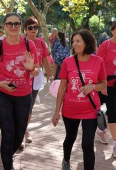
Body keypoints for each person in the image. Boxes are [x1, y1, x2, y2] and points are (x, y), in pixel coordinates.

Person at [0, 12, 39, 170]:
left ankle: (7, 156)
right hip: (2, 95)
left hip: (24, 95)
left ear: (21, 26)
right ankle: (8, 166)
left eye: (16, 24)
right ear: (4, 26)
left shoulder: (30, 45)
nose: (13, 27)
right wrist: (0, 84)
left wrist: (31, 69)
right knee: (8, 134)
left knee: (19, 134)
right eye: (10, 24)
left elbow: (36, 70)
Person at [52, 29, 107, 170]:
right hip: (70, 109)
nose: (74, 44)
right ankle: (66, 159)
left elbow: (104, 84)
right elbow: (62, 88)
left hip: (91, 109)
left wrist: (93, 86)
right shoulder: (68, 62)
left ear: (87, 42)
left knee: (87, 144)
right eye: (73, 41)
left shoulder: (98, 61)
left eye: (78, 41)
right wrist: (56, 111)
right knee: (70, 138)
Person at [22, 16, 54, 147]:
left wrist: (50, 76)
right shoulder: (21, 42)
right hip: (22, 77)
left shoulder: (41, 43)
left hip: (36, 76)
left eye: (35, 27)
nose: (33, 29)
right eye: (30, 27)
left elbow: (45, 60)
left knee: (29, 105)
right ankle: (20, 131)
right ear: (25, 29)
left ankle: (24, 131)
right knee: (22, 105)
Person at [96, 21, 116, 157]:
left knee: (114, 113)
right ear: (113, 30)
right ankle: (101, 130)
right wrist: (102, 84)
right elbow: (97, 63)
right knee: (95, 111)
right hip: (105, 83)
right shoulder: (106, 44)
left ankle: (115, 145)